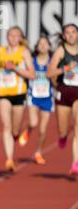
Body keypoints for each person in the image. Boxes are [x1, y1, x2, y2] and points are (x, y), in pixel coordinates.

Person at [0, 26, 35, 172]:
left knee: (15, 129)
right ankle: (9, 159)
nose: (12, 38)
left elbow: (32, 75)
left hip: (19, 94)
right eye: (10, 35)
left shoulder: (24, 52)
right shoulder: (1, 51)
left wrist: (15, 68)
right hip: (3, 92)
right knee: (6, 126)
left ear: (21, 38)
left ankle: (16, 136)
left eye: (16, 35)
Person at [47, 23, 78, 175]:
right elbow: (49, 73)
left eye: (74, 32)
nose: (71, 35)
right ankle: (63, 136)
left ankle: (75, 162)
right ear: (64, 36)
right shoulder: (61, 50)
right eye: (68, 33)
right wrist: (65, 69)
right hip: (64, 92)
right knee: (63, 129)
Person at [20, 35, 54, 165]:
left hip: (47, 98)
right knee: (33, 123)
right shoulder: (32, 61)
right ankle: (28, 130)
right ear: (37, 47)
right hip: (33, 96)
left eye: (45, 44)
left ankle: (38, 152)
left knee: (42, 129)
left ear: (50, 47)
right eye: (40, 44)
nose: (43, 46)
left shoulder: (52, 62)